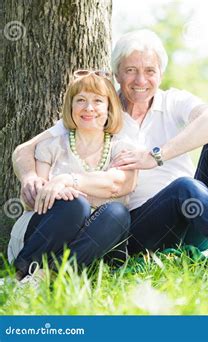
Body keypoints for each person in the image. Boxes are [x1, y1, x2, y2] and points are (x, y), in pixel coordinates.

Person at [12, 30, 208, 269]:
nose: (141, 80)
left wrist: (155, 155)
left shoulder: (173, 101)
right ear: (117, 73)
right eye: (131, 70)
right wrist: (29, 178)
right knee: (184, 188)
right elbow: (25, 150)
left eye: (150, 70)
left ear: (161, 73)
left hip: (199, 216)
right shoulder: (99, 111)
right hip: (139, 228)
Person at [7, 71, 137, 283]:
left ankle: (44, 278)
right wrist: (82, 196)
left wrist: (68, 182)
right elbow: (41, 201)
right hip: (47, 238)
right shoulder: (51, 146)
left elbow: (118, 186)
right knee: (75, 205)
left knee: (117, 212)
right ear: (71, 106)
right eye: (81, 101)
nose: (89, 108)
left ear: (109, 108)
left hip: (95, 241)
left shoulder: (121, 149)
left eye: (97, 101)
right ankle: (18, 275)